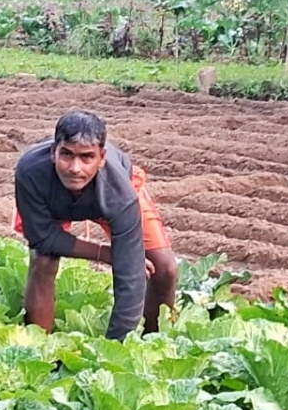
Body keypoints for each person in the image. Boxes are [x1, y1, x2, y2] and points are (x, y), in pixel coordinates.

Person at [12, 110, 178, 341]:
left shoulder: (120, 193)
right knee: (42, 260)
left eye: (87, 157)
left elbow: (130, 276)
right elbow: (43, 237)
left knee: (165, 268)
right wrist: (105, 254)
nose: (75, 168)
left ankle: (152, 340)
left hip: (106, 201)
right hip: (54, 202)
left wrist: (115, 348)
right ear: (53, 152)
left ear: (101, 158)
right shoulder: (30, 172)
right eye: (66, 154)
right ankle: (38, 347)